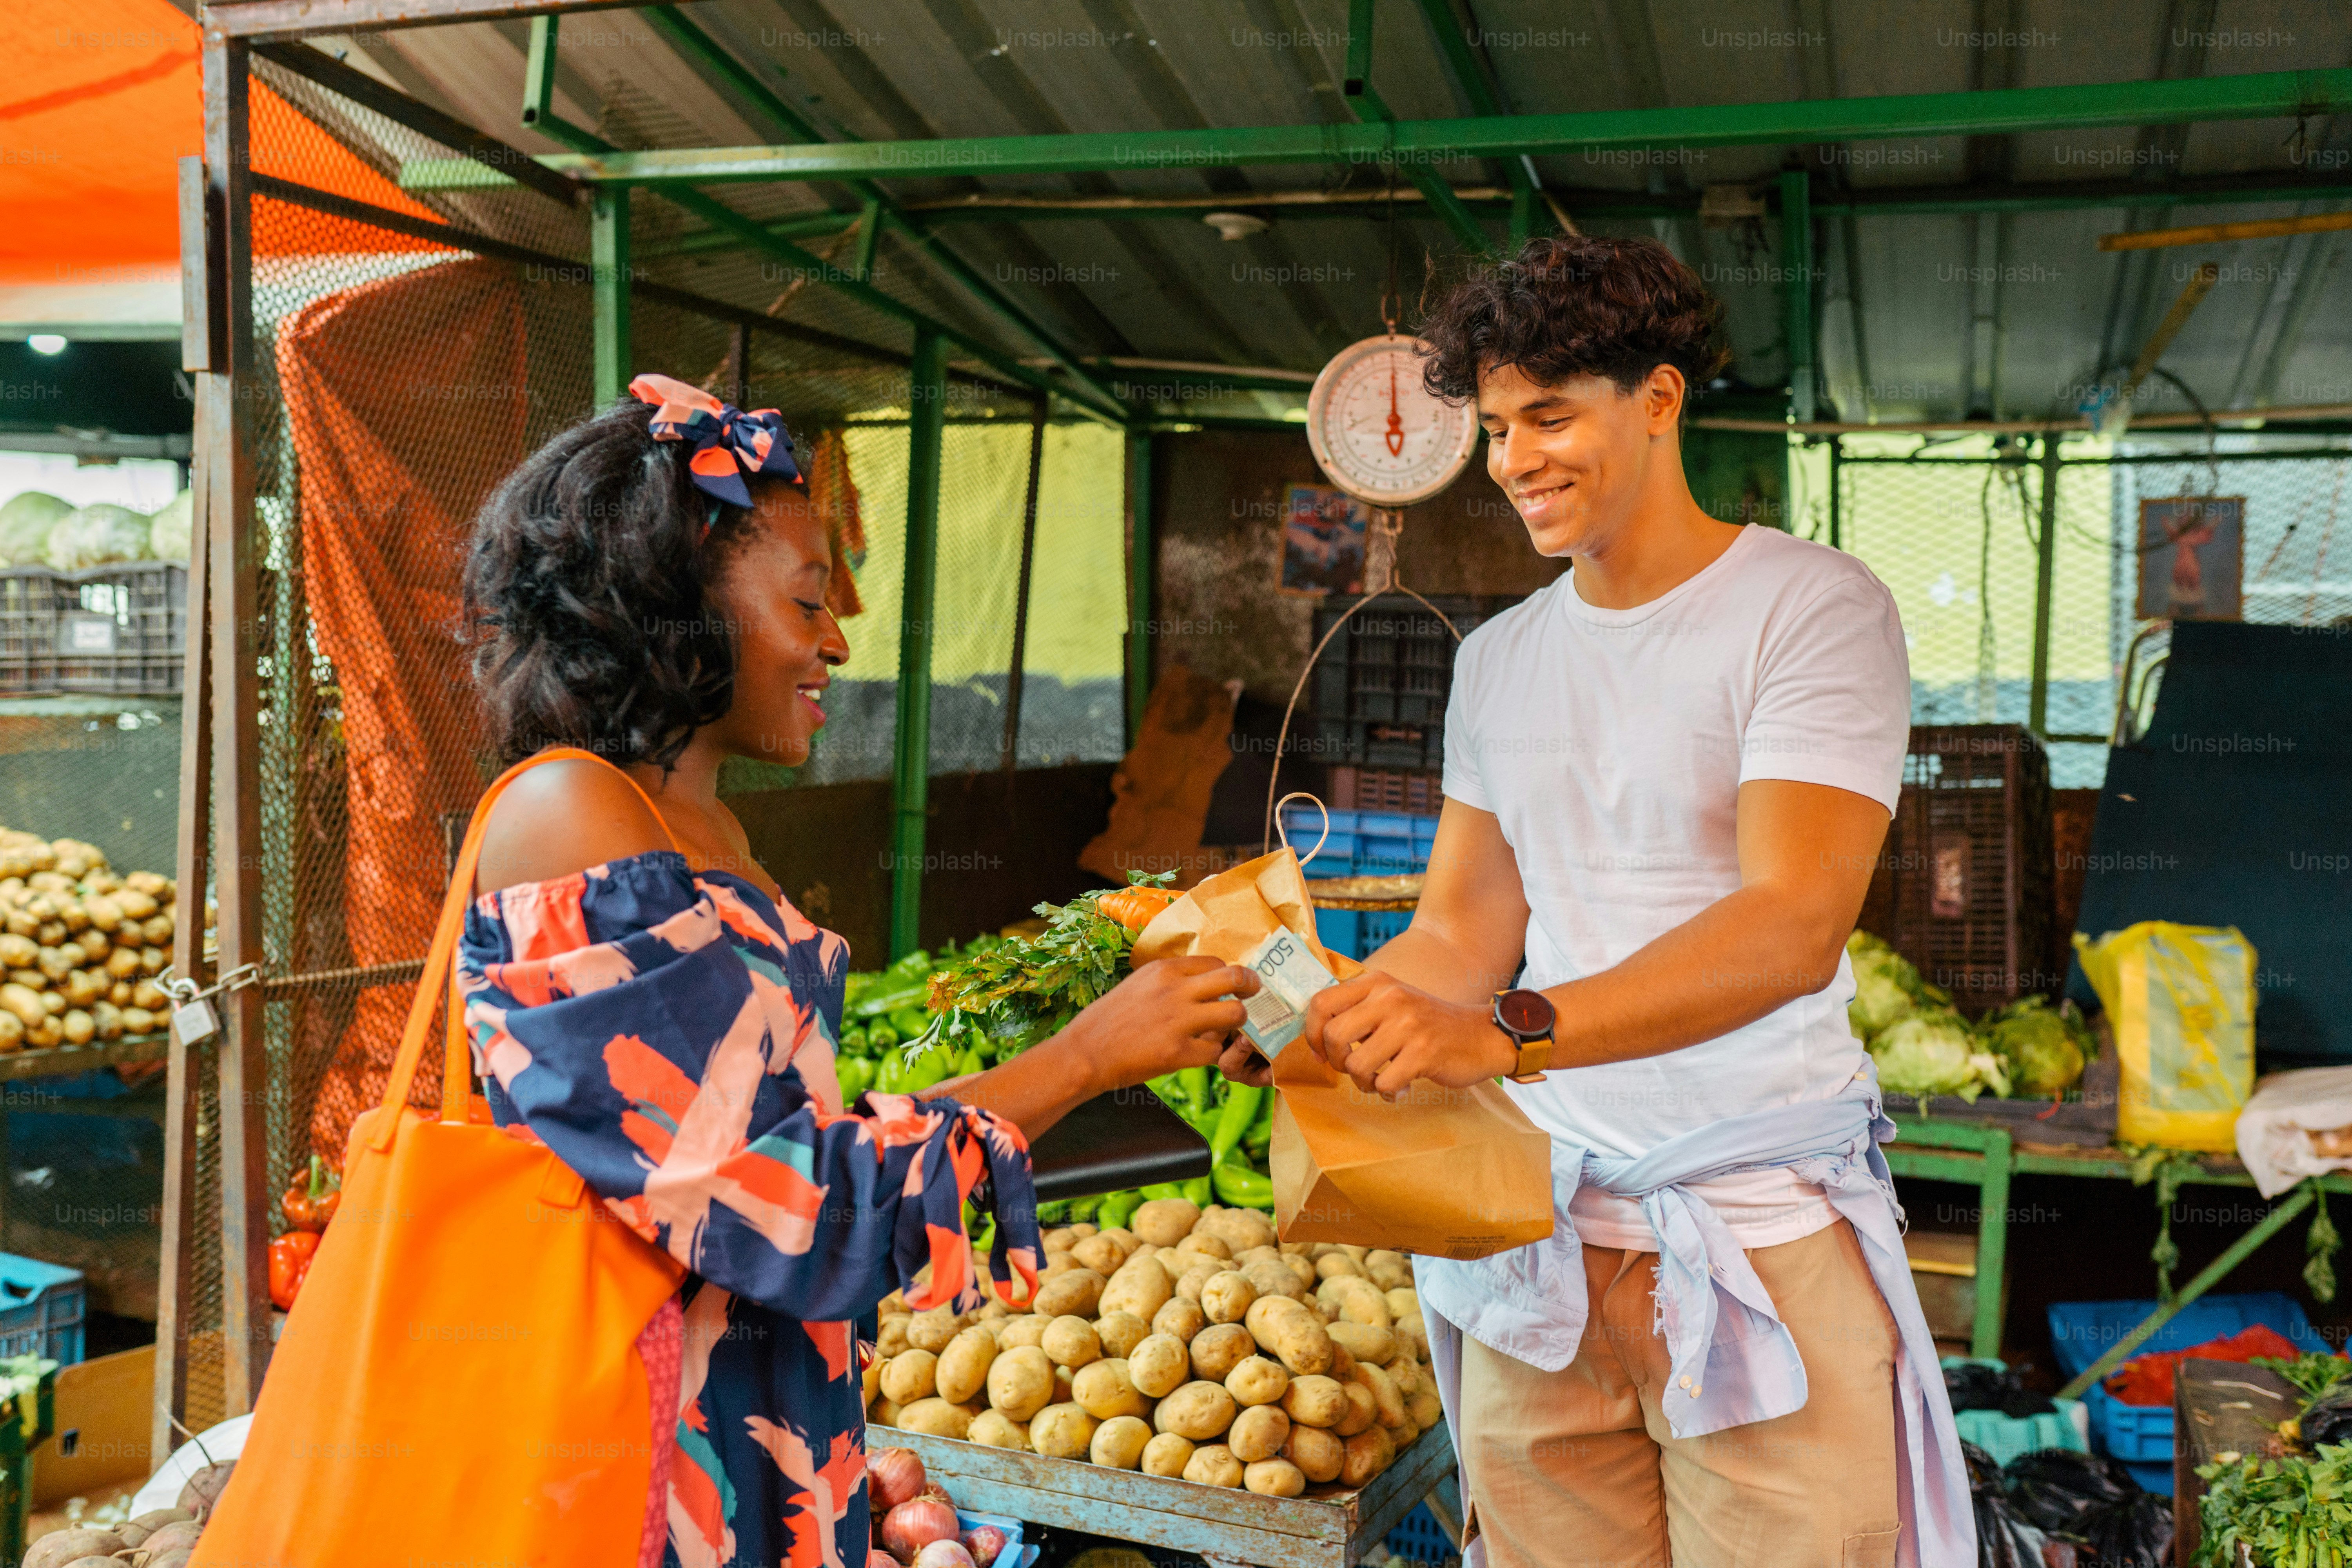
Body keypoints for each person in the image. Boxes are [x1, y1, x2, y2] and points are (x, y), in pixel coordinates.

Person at [1220, 239, 1970, 1567]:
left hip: (1756, 1237)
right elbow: (1460, 932)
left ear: (1663, 400)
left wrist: (1504, 1036)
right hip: (1539, 1248)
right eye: (1499, 426)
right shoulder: (1504, 663)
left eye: (1551, 416)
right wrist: (1324, 1015)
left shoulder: (1807, 609)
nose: (1514, 460)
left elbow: (1792, 924)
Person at [458, 374, 1258, 1566]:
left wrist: (1135, 1036)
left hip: (760, 1450)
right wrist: (1088, 1056)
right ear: (674, 601)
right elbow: (781, 1203)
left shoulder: (708, 835)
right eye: (810, 598)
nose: (838, 638)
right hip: (631, 1476)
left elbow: (794, 1154)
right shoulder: (572, 816)